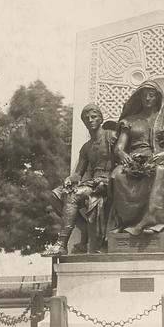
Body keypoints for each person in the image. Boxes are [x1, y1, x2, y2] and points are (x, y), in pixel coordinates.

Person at [109, 81, 164, 235]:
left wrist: (162, 155)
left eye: (152, 95)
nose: (148, 98)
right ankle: (124, 222)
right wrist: (122, 154)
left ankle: (152, 223)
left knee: (160, 172)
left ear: (158, 97)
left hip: (159, 159)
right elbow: (119, 147)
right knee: (117, 175)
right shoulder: (129, 120)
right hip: (133, 160)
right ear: (139, 98)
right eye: (144, 95)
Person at [41, 103, 114, 256]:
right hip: (92, 182)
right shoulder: (86, 147)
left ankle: (61, 243)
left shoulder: (111, 136)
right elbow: (78, 173)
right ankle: (84, 229)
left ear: (101, 118)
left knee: (72, 196)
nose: (90, 120)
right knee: (55, 195)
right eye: (87, 119)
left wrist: (108, 179)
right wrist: (69, 179)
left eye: (94, 117)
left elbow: (121, 158)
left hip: (109, 181)